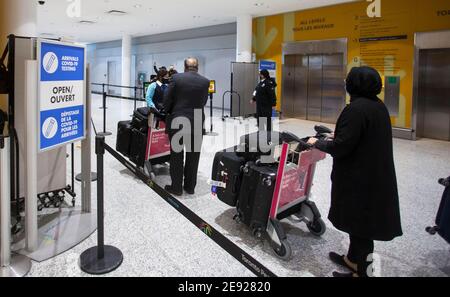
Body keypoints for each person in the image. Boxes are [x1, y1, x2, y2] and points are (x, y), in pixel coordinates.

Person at [307, 66, 403, 277]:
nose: (345, 83)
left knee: (361, 227)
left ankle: (364, 273)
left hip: (359, 179)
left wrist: (318, 143)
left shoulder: (356, 109)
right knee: (359, 224)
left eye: (347, 80)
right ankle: (352, 260)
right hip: (373, 174)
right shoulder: (377, 106)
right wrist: (337, 134)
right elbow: (360, 136)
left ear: (354, 85)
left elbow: (341, 147)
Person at [163, 57, 210, 196]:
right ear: (198, 67)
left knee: (176, 155)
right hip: (197, 119)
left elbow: (167, 100)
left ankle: (176, 187)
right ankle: (190, 187)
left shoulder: (176, 78)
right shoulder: (205, 81)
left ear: (184, 66)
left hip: (179, 120)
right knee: (193, 155)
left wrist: (169, 111)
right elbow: (204, 101)